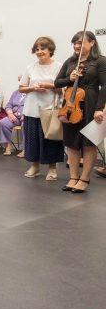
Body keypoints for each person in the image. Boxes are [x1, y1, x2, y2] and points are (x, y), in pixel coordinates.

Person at [55, 31, 106, 193]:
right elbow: (57, 82)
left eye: (81, 42)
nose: (77, 46)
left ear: (92, 43)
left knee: (88, 144)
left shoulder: (100, 61)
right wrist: (69, 79)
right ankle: (73, 177)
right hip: (71, 105)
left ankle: (84, 179)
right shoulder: (70, 61)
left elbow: (104, 86)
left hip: (91, 103)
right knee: (71, 143)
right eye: (75, 43)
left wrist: (99, 108)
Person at [19, 37, 64, 181]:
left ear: (50, 49)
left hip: (51, 109)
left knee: (51, 140)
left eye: (43, 48)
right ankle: (35, 166)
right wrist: (33, 88)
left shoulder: (59, 66)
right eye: (37, 49)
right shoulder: (30, 67)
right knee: (32, 140)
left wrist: (51, 86)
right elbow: (21, 88)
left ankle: (52, 168)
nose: (39, 52)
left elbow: (63, 89)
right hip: (32, 109)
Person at [0, 76, 26, 156]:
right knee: (3, 122)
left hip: (26, 117)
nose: (20, 82)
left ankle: (25, 149)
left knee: (26, 124)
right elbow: (8, 105)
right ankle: (8, 145)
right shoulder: (15, 93)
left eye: (22, 80)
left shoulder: (32, 93)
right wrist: (10, 114)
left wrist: (24, 115)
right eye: (19, 81)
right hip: (14, 117)